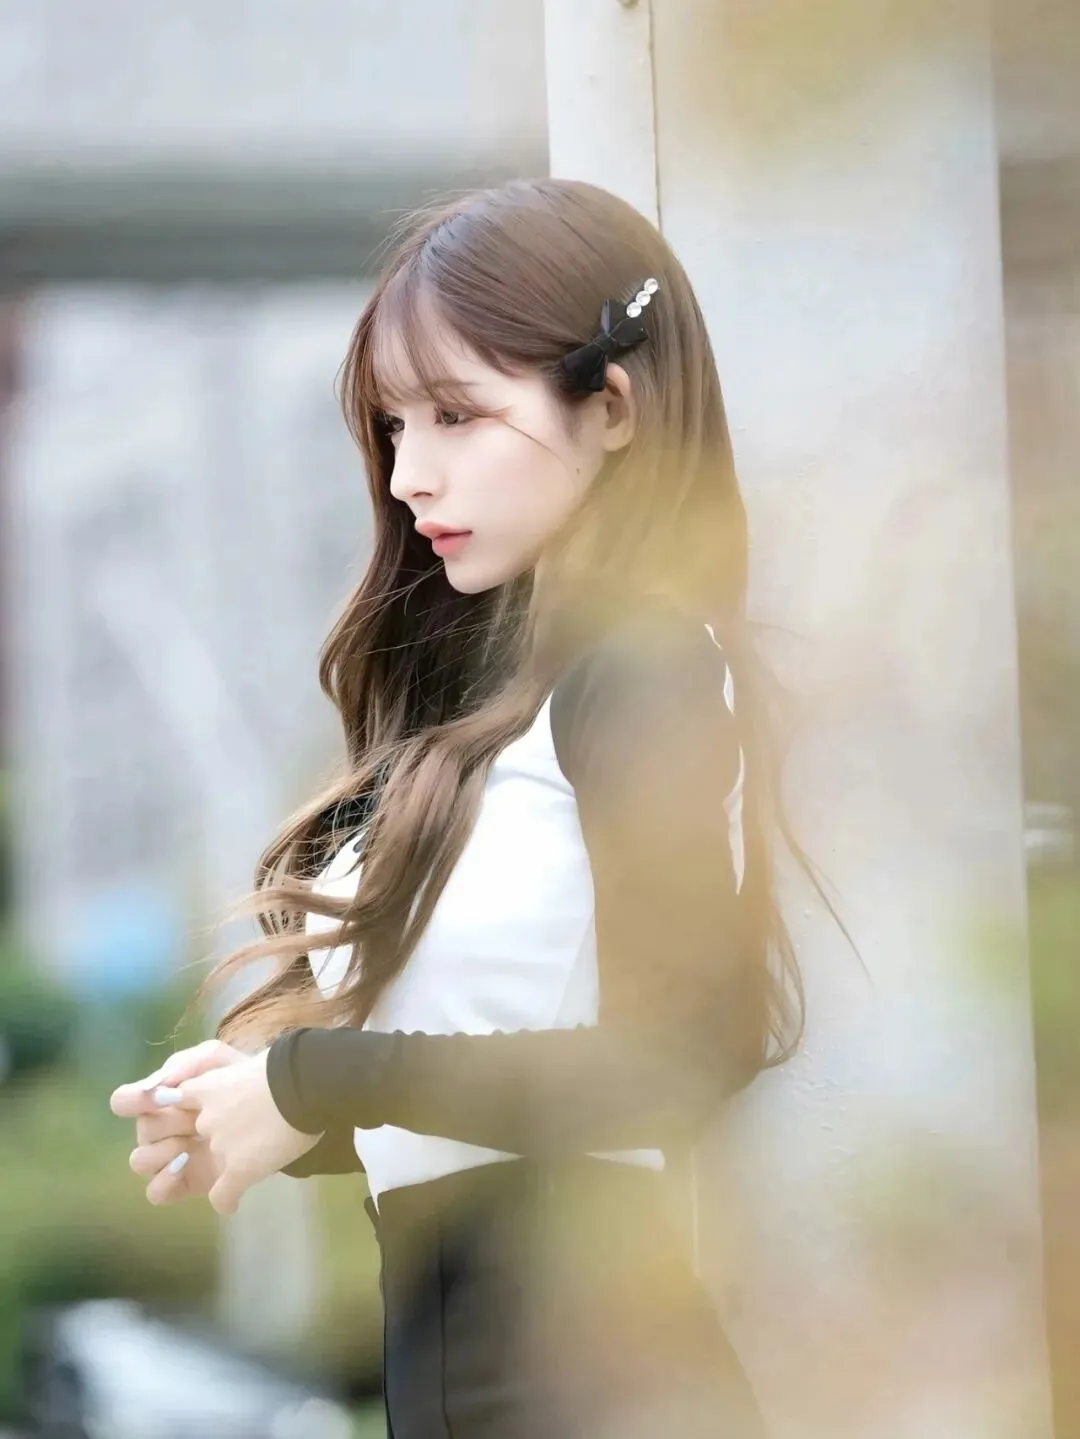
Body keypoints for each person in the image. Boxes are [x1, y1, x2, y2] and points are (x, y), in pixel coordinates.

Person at [111, 177, 809, 1437]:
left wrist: (316, 1078)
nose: (407, 474)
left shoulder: (646, 664)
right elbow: (492, 1082)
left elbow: (678, 1053)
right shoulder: (504, 710)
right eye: (391, 425)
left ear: (611, 408)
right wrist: (267, 1102)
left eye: (456, 415)